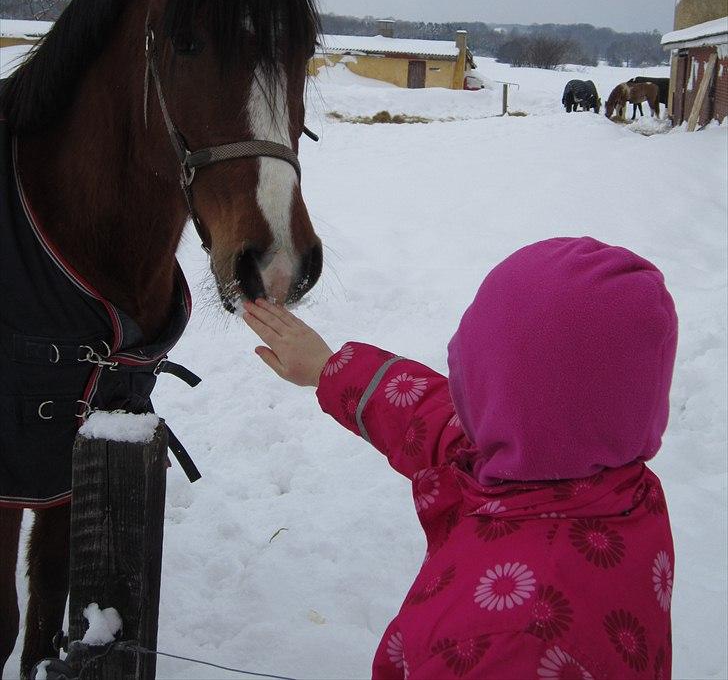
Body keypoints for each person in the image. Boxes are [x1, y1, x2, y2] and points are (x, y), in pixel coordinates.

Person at [243, 236, 677, 679]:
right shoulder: (611, 487)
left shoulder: (512, 645)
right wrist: (327, 368)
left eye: (476, 372)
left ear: (514, 401)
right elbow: (435, 422)